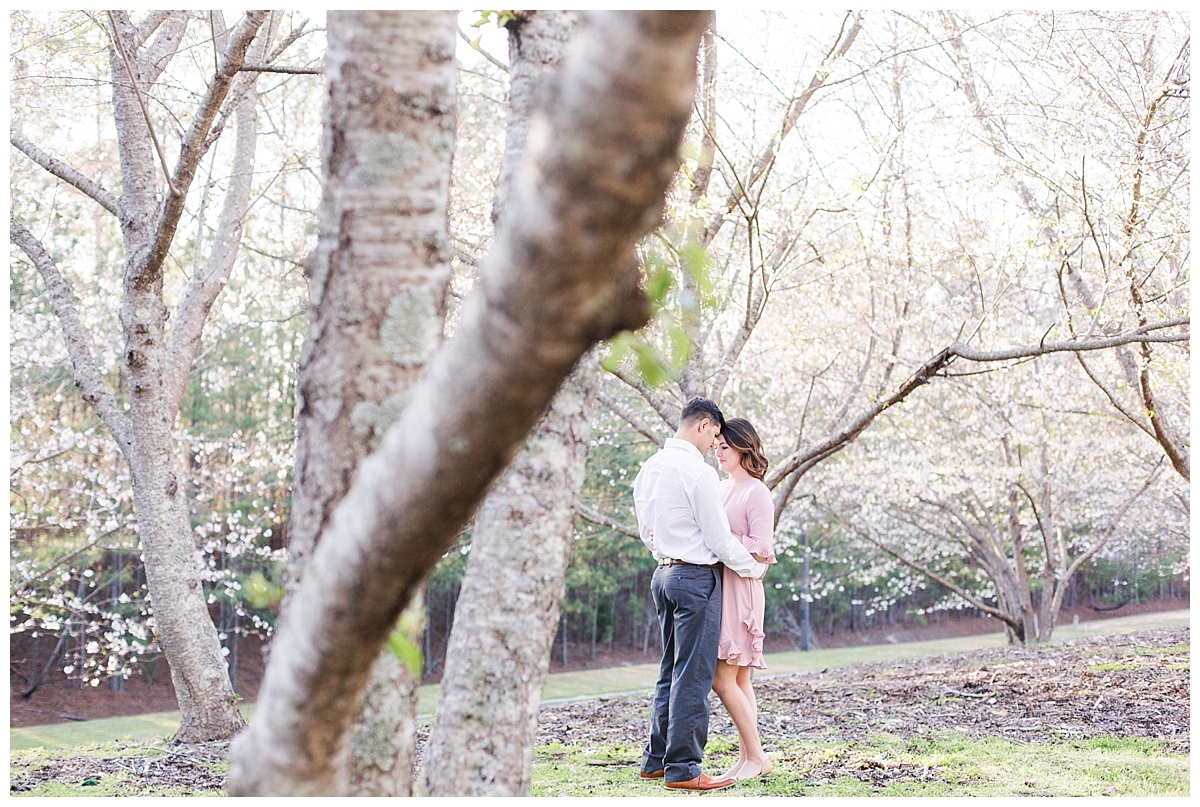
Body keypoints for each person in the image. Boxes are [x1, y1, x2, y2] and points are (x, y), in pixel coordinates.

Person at [633, 397, 768, 792]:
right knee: (693, 676)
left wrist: (667, 553)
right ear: (705, 425)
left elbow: (647, 530)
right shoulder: (698, 472)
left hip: (663, 575)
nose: (715, 445)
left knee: (669, 672)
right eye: (714, 436)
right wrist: (752, 567)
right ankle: (684, 769)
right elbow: (718, 538)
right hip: (695, 580)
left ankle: (655, 762)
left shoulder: (650, 467)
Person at [711, 418, 776, 780]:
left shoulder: (756, 492)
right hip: (721, 586)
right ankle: (749, 758)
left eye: (725, 446)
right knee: (739, 681)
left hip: (744, 590)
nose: (718, 452)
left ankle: (756, 757)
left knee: (723, 680)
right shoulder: (720, 489)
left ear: (743, 448)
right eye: (716, 446)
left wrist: (729, 537)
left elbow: (763, 551)